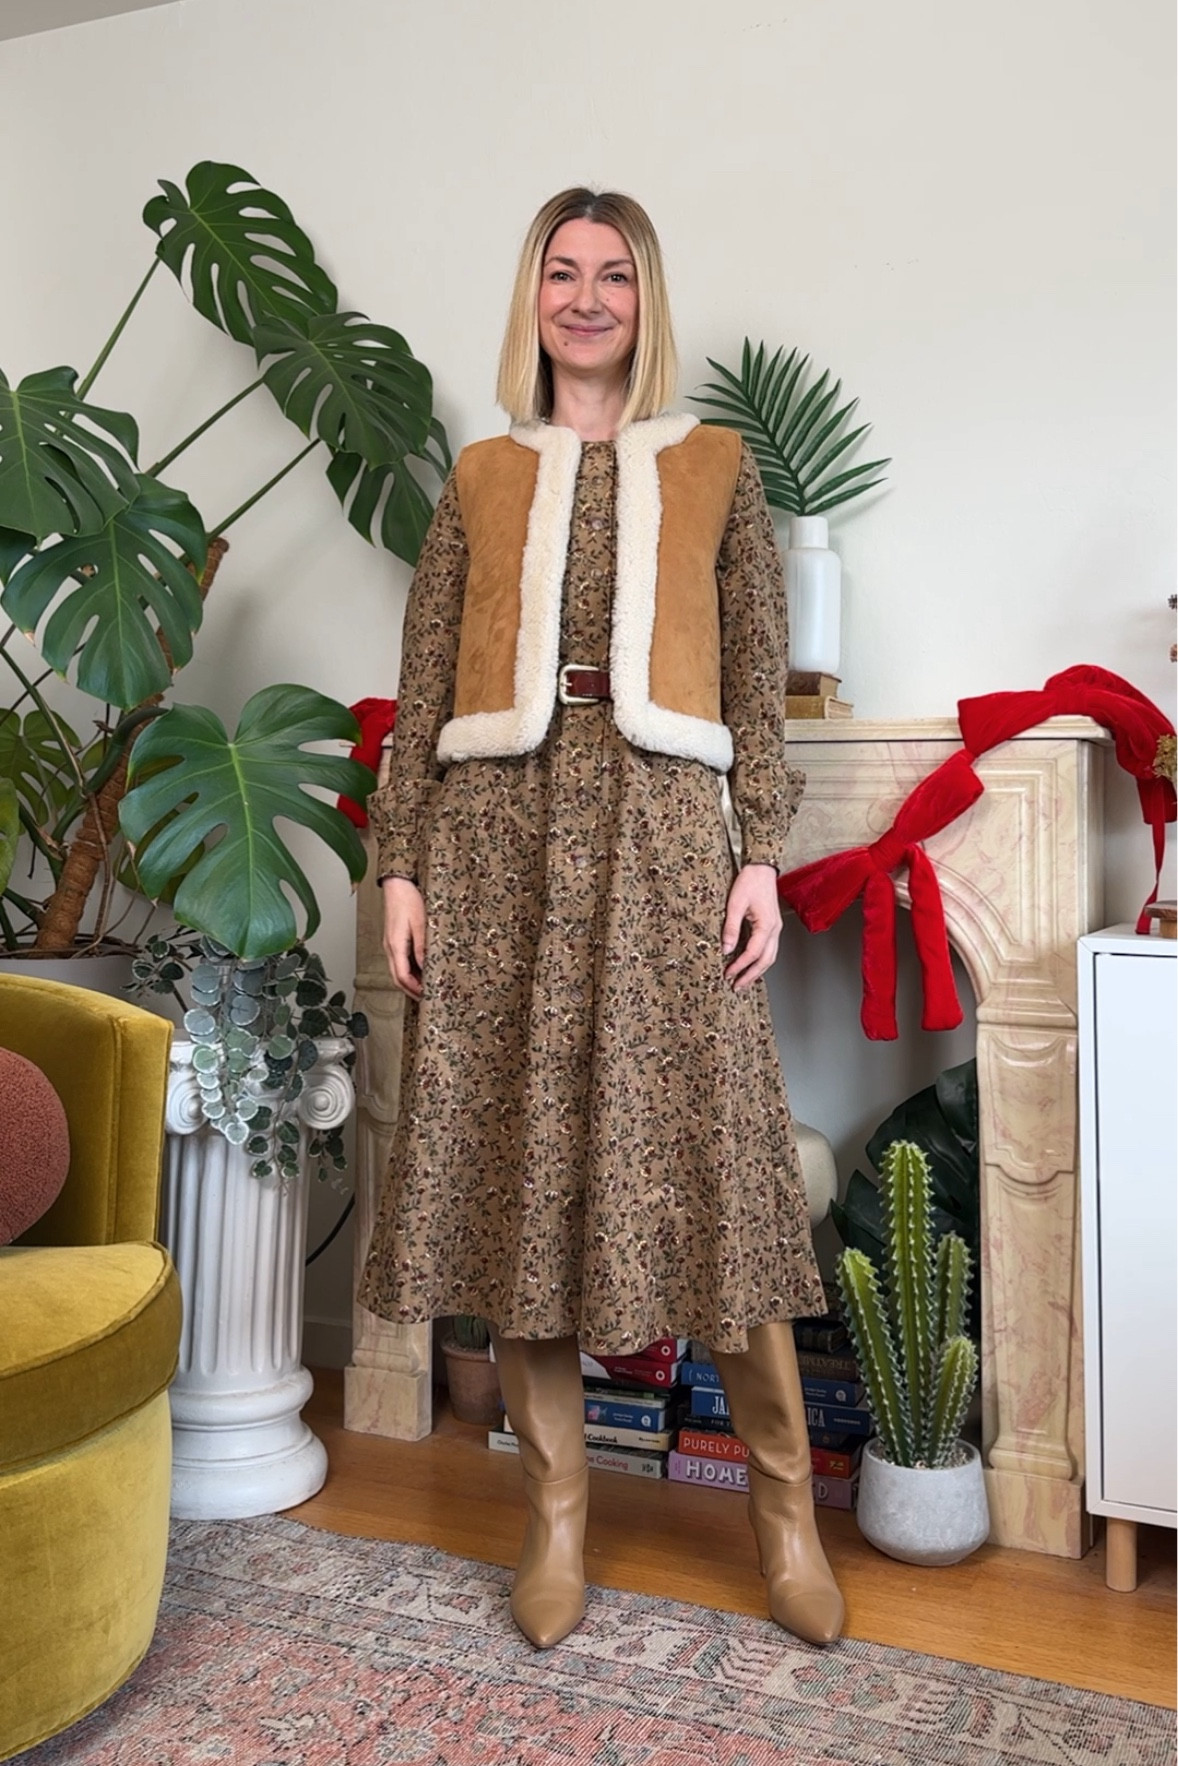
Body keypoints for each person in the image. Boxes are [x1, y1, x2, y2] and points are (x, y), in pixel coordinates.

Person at [358, 187, 845, 1651]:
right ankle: (556, 1509)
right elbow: (426, 677)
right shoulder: (482, 475)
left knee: (717, 1168)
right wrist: (401, 864)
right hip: (498, 836)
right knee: (520, 1174)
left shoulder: (714, 468)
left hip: (654, 830)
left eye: (611, 274)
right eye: (560, 273)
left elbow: (758, 673)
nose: (584, 297)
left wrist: (757, 849)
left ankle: (781, 1514)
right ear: (533, 296)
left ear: (645, 298)